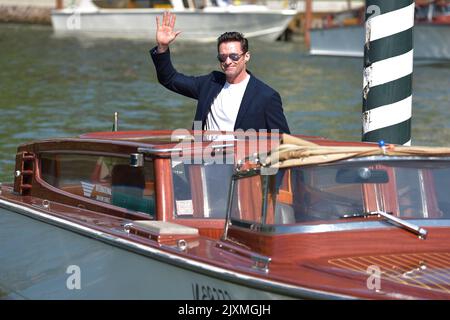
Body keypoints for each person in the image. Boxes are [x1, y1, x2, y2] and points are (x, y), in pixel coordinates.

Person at [150, 11, 290, 133]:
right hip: (202, 161)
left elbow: (284, 141)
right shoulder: (210, 83)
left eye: (234, 56)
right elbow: (169, 79)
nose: (228, 61)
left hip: (242, 162)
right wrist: (162, 47)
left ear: (246, 56)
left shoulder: (266, 96)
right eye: (223, 57)